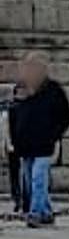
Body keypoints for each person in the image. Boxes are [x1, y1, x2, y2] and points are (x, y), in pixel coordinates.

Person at [10, 52, 69, 228]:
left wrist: (54, 135)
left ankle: (35, 213)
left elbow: (65, 117)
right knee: (29, 181)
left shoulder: (54, 90)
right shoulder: (22, 90)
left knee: (38, 178)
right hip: (25, 145)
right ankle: (45, 212)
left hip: (44, 144)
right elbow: (16, 116)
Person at [1, 84, 22, 213]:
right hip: (14, 146)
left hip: (20, 146)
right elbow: (5, 129)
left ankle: (19, 199)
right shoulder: (10, 109)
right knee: (16, 174)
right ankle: (17, 199)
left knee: (20, 174)